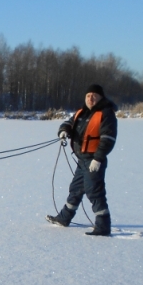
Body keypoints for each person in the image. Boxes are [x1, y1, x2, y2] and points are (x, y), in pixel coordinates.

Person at [46, 84, 117, 236]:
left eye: (94, 96)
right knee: (76, 189)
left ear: (101, 97)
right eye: (88, 96)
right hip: (82, 159)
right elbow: (68, 123)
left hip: (94, 160)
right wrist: (64, 131)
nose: (91, 98)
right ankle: (64, 218)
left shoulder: (106, 113)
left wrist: (98, 159)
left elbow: (108, 139)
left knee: (94, 191)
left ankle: (103, 225)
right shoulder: (81, 112)